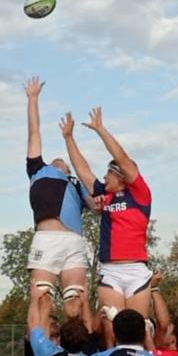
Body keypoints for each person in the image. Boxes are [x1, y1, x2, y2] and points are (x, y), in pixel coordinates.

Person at [61, 107, 154, 340]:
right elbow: (83, 170)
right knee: (112, 326)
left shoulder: (140, 194)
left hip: (136, 269)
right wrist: (69, 138)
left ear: (121, 177)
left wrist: (100, 130)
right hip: (111, 270)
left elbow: (122, 158)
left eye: (108, 174)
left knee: (136, 328)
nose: (104, 178)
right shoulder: (105, 195)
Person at [23, 76, 94, 322]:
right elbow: (34, 131)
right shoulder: (38, 170)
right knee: (41, 297)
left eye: (64, 162)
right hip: (47, 239)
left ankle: (79, 351)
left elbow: (96, 206)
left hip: (73, 241)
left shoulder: (76, 184)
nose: (59, 160)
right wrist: (33, 99)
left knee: (76, 300)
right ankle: (39, 355)